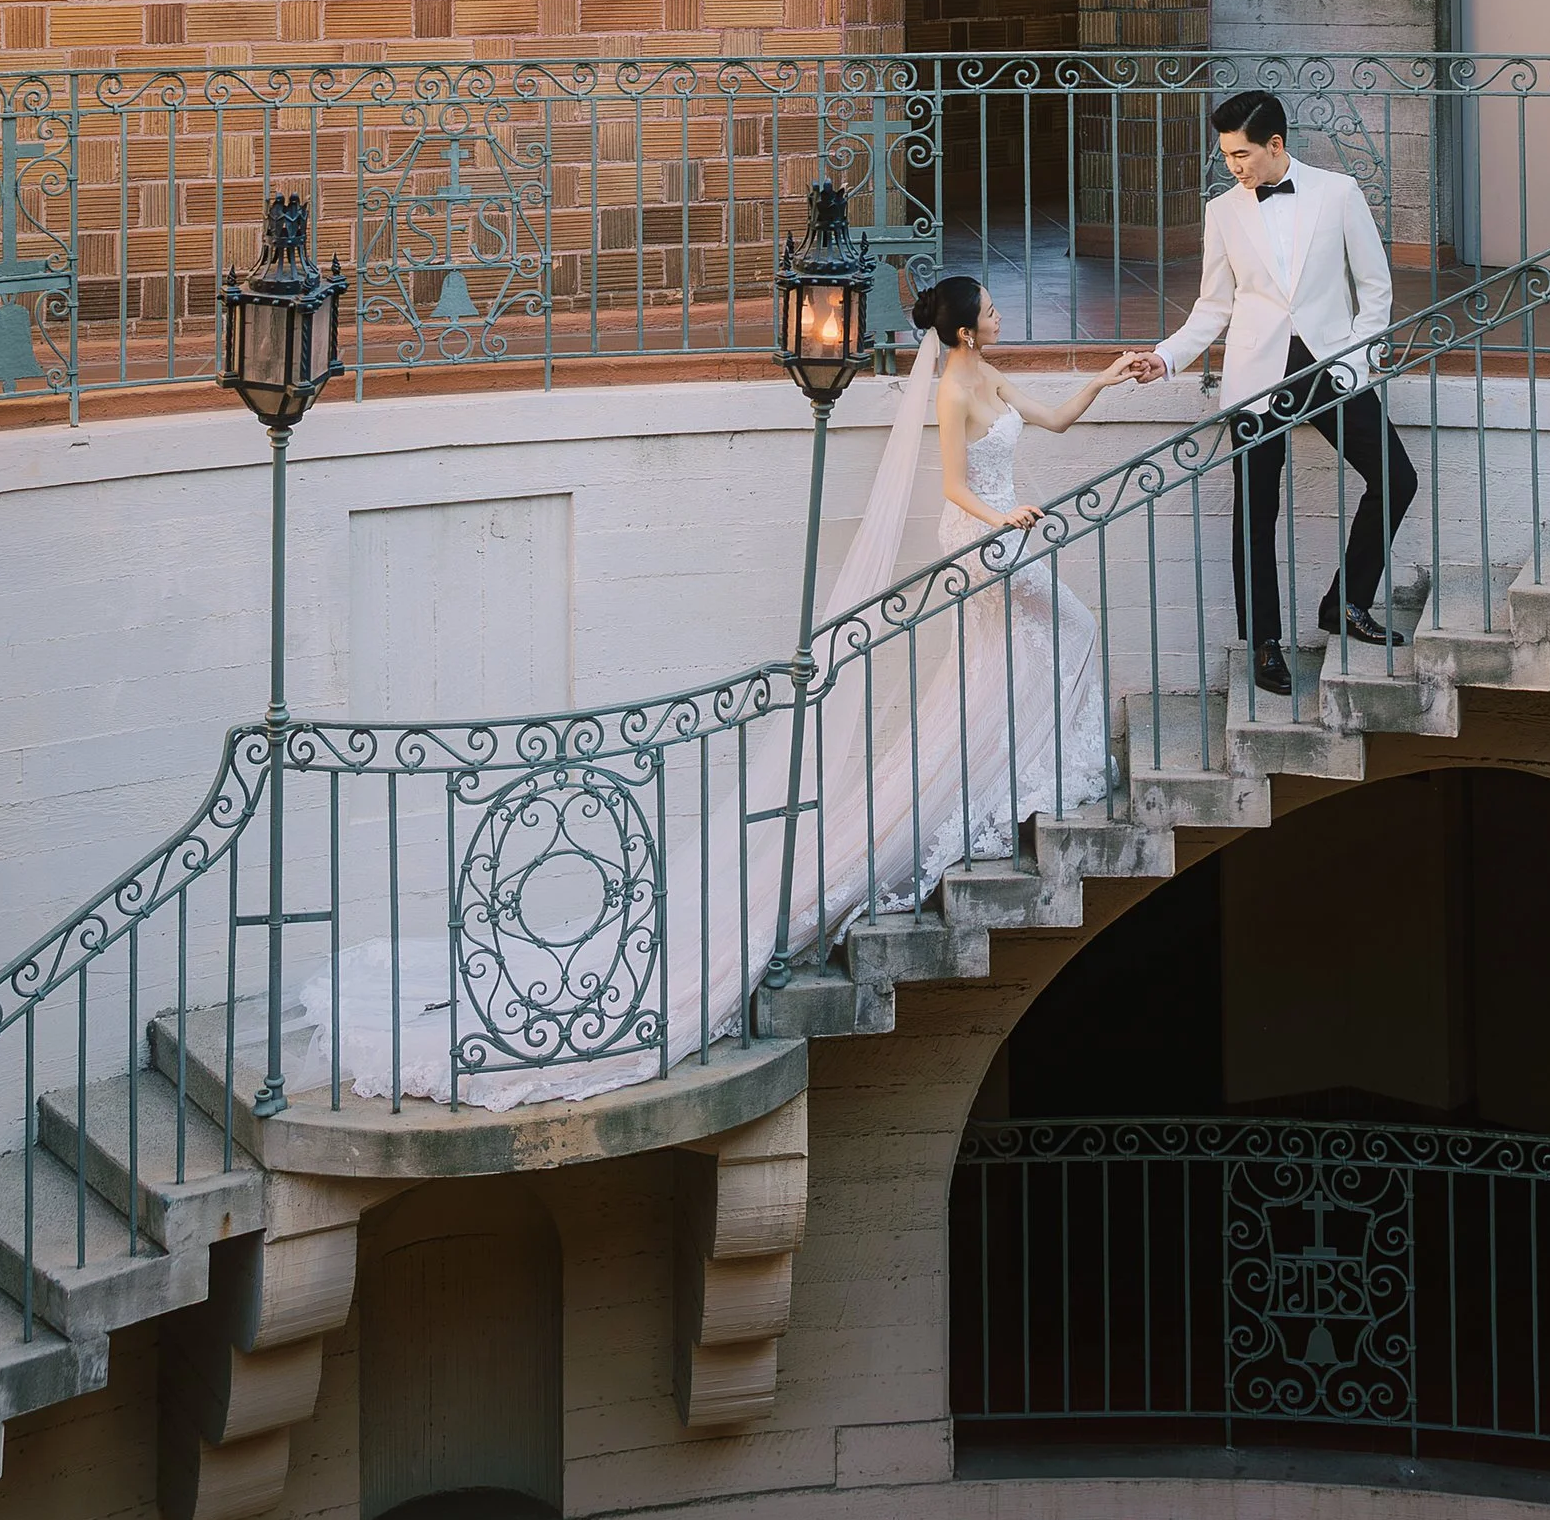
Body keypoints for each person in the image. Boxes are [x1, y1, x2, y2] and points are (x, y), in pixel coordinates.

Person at [303, 281, 1137, 1109]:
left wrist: (1107, 375)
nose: (998, 315)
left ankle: (1022, 779)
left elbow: (1054, 416)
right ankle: (1018, 783)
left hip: (1004, 530)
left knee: (1031, 649)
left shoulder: (988, 373)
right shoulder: (955, 387)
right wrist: (1003, 519)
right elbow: (955, 488)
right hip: (982, 537)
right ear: (960, 329)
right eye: (988, 308)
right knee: (1052, 634)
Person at [1122, 89, 1407, 699]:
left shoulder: (1338, 193)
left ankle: (1347, 603)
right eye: (1227, 156)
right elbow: (1213, 306)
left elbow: (1375, 290)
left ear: (1276, 144)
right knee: (1255, 515)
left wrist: (1354, 362)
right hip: (1256, 378)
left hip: (1333, 366)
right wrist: (1166, 357)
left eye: (1242, 154)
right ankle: (1265, 642)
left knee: (1396, 478)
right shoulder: (1223, 212)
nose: (1234, 167)